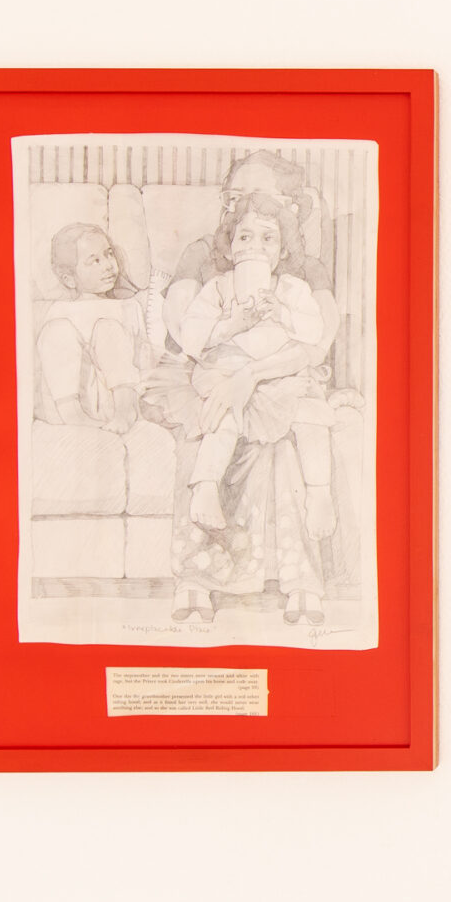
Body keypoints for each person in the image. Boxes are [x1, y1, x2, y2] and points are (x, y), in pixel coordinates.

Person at [167, 191, 338, 623]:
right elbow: (192, 338)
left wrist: (281, 312)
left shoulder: (293, 289)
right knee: (220, 416)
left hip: (280, 380)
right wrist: (232, 323)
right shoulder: (218, 288)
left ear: (282, 252)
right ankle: (206, 484)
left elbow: (313, 333)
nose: (255, 247)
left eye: (268, 239)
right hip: (224, 373)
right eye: (245, 237)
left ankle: (319, 494)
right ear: (229, 246)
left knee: (311, 416)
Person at [34, 222, 155, 431]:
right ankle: (74, 415)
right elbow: (52, 360)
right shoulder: (59, 310)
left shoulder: (128, 306)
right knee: (56, 331)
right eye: (95, 261)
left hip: (116, 398)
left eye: (109, 254)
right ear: (69, 279)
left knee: (108, 330)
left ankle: (125, 412)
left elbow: (144, 359)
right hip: (72, 400)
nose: (108, 265)